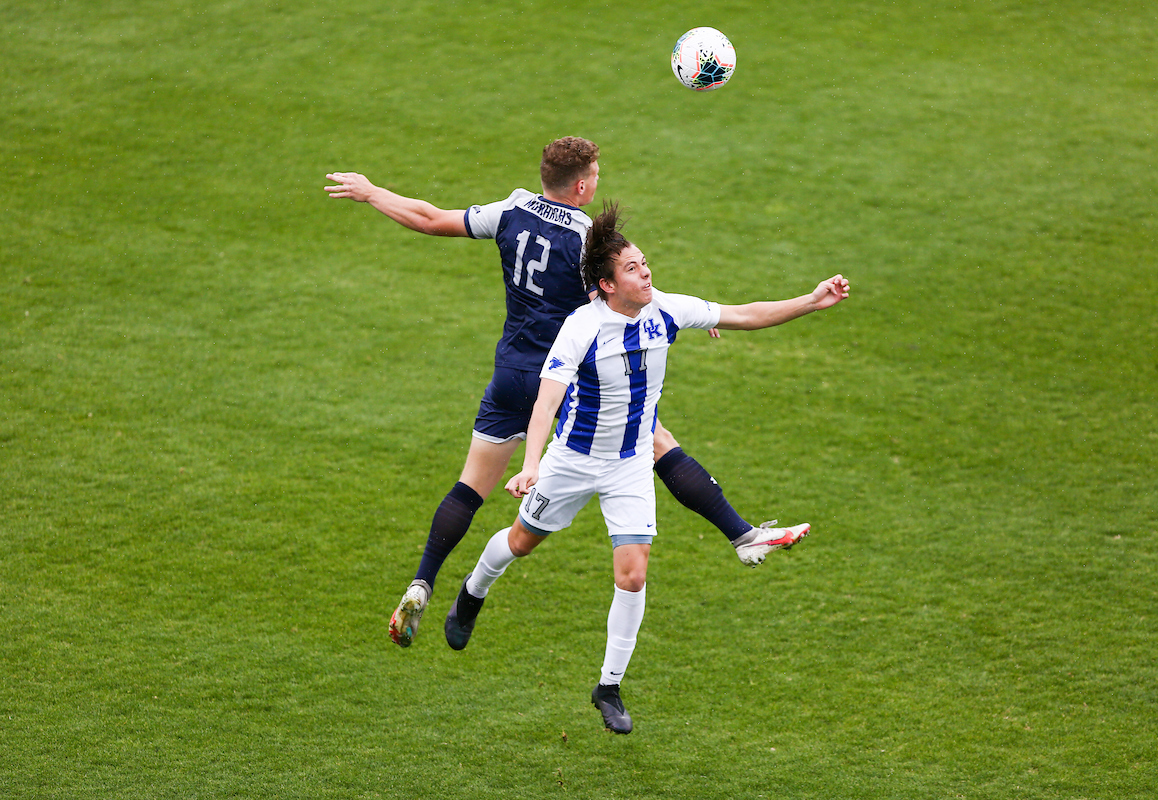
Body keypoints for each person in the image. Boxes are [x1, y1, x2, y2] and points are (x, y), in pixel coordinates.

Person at [324, 138, 807, 650]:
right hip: (569, 375)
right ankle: (741, 534)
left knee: (470, 487)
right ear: (581, 185)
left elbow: (428, 218)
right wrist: (689, 314)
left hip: (511, 372)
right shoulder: (587, 239)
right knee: (652, 439)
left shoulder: (510, 211)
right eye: (596, 174)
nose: (598, 181)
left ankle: (423, 580)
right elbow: (621, 289)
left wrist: (372, 192)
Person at [444, 201, 850, 733]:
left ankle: (608, 685)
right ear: (607, 285)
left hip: (630, 464)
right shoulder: (581, 328)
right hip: (572, 461)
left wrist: (812, 301)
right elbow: (545, 403)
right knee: (520, 543)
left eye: (644, 263)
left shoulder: (666, 310)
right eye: (633, 268)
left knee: (633, 575)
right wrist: (532, 464)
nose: (646, 273)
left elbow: (745, 315)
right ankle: (473, 591)